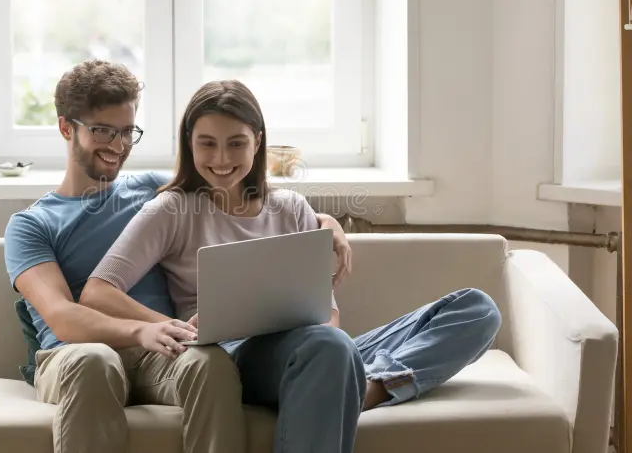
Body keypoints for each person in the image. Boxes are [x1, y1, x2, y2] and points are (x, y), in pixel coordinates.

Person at [80, 79, 503, 453]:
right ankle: (346, 383)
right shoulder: (172, 209)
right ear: (189, 144)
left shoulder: (292, 207)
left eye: (236, 142)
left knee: (476, 309)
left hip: (314, 350)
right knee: (329, 350)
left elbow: (327, 312)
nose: (221, 157)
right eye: (207, 142)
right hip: (232, 359)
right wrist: (166, 326)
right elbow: (98, 291)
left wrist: (329, 336)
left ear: (258, 141)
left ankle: (365, 386)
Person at [3, 60, 353, 453]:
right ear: (66, 128)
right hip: (79, 351)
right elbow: (64, 316)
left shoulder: (155, 191)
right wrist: (149, 328)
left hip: (160, 352)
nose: (118, 146)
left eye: (126, 132)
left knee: (212, 362)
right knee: (95, 363)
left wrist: (326, 223)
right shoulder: (31, 224)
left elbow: (240, 193)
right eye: (102, 131)